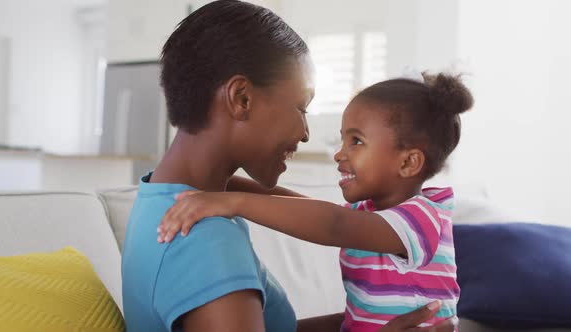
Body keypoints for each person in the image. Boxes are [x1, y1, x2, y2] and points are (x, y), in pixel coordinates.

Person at [122, 0, 458, 331]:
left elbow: (328, 217)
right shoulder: (203, 237)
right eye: (301, 107)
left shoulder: (165, 199)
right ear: (242, 99)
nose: (307, 133)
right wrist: (230, 198)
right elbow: (331, 221)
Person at [158, 72, 473, 330]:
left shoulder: (422, 219)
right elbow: (305, 207)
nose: (340, 154)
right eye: (342, 139)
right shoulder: (370, 216)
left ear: (408, 163)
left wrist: (234, 202)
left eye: (356, 141)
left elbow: (332, 224)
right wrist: (229, 184)